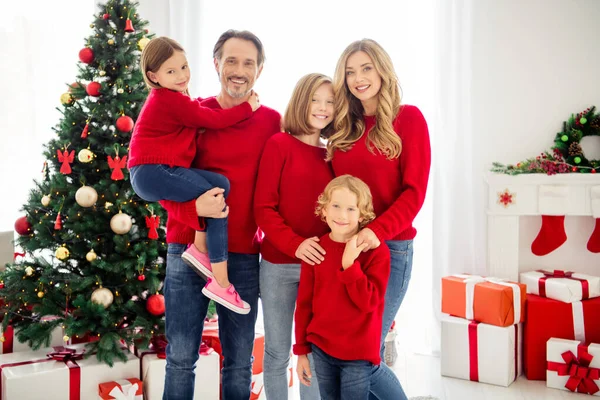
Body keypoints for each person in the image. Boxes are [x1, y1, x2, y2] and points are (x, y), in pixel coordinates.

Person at [158, 30, 281, 400]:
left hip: (242, 253)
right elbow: (161, 180)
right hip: (187, 250)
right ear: (216, 64)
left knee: (240, 360)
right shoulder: (191, 115)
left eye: (248, 62)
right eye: (231, 60)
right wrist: (193, 210)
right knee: (180, 357)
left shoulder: (272, 122)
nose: (239, 70)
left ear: (260, 70)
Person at [328, 39, 431, 400]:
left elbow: (414, 193)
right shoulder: (342, 127)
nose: (358, 78)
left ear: (382, 70)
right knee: (343, 355)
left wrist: (375, 232)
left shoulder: (410, 119)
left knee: (363, 355)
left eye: (366, 68)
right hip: (346, 253)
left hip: (391, 247)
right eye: (350, 72)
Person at [128, 36, 261, 314]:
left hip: (154, 172)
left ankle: (200, 247)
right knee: (216, 198)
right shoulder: (168, 99)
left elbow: (197, 114)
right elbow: (212, 119)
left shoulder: (178, 100)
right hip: (153, 171)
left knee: (219, 185)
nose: (181, 75)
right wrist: (247, 108)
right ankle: (221, 282)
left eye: (184, 67)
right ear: (154, 76)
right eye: (171, 71)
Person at [254, 73, 336, 399]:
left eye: (330, 102)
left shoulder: (333, 155)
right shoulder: (279, 145)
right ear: (302, 101)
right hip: (278, 267)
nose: (322, 108)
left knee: (314, 351)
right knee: (276, 352)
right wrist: (296, 245)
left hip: (320, 270)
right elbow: (264, 209)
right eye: (316, 99)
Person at [294, 174, 390, 400]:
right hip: (322, 349)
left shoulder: (376, 253)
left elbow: (368, 303)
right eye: (336, 206)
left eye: (351, 209)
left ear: (362, 214)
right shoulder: (317, 250)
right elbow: (304, 304)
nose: (341, 215)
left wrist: (349, 264)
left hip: (358, 354)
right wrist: (301, 351)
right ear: (324, 209)